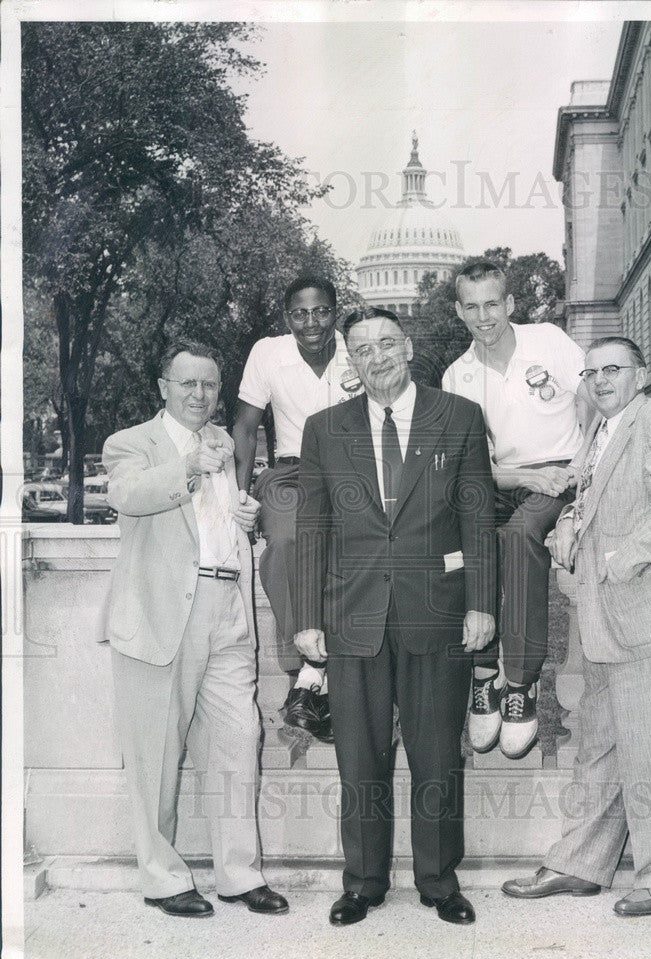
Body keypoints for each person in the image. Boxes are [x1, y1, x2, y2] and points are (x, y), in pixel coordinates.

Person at [294, 307, 496, 926]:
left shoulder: (457, 417)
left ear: (407, 347)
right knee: (359, 756)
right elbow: (312, 530)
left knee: (438, 754)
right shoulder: (324, 429)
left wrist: (482, 603)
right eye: (362, 348)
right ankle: (363, 883)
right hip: (353, 615)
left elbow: (478, 518)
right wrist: (307, 616)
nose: (376, 356)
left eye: (387, 343)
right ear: (349, 360)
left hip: (435, 611)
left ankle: (438, 880)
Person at [502, 337, 651, 917]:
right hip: (602, 617)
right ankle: (580, 865)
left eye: (612, 370)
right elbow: (599, 495)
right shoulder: (604, 427)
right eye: (590, 373)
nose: (599, 381)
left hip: (647, 614)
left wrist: (626, 556)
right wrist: (570, 522)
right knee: (598, 746)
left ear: (639, 375)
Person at [101, 339, 288, 918]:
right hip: (162, 615)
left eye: (209, 385)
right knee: (156, 755)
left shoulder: (225, 443)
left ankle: (238, 875)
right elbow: (128, 496)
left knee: (238, 744)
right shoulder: (130, 442)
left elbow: (212, 522)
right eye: (187, 384)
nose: (199, 395)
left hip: (227, 606)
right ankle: (162, 878)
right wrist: (185, 465)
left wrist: (246, 521)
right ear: (164, 388)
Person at [442, 259, 593, 759]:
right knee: (466, 537)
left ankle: (522, 684)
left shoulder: (547, 339)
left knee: (522, 531)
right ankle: (483, 674)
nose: (483, 316)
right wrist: (525, 477)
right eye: (472, 306)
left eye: (492, 303)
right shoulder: (457, 375)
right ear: (458, 311)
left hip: (562, 471)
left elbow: (593, 396)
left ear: (509, 304)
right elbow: (473, 467)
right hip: (504, 477)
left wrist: (579, 464)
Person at [233, 276, 363, 742]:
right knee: (287, 541)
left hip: (354, 473)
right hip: (292, 471)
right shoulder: (268, 353)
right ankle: (304, 666)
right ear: (287, 317)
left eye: (322, 311)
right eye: (300, 313)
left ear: (336, 311)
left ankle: (330, 686)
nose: (311, 322)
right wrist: (240, 496)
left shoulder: (359, 348)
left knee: (365, 553)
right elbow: (246, 429)